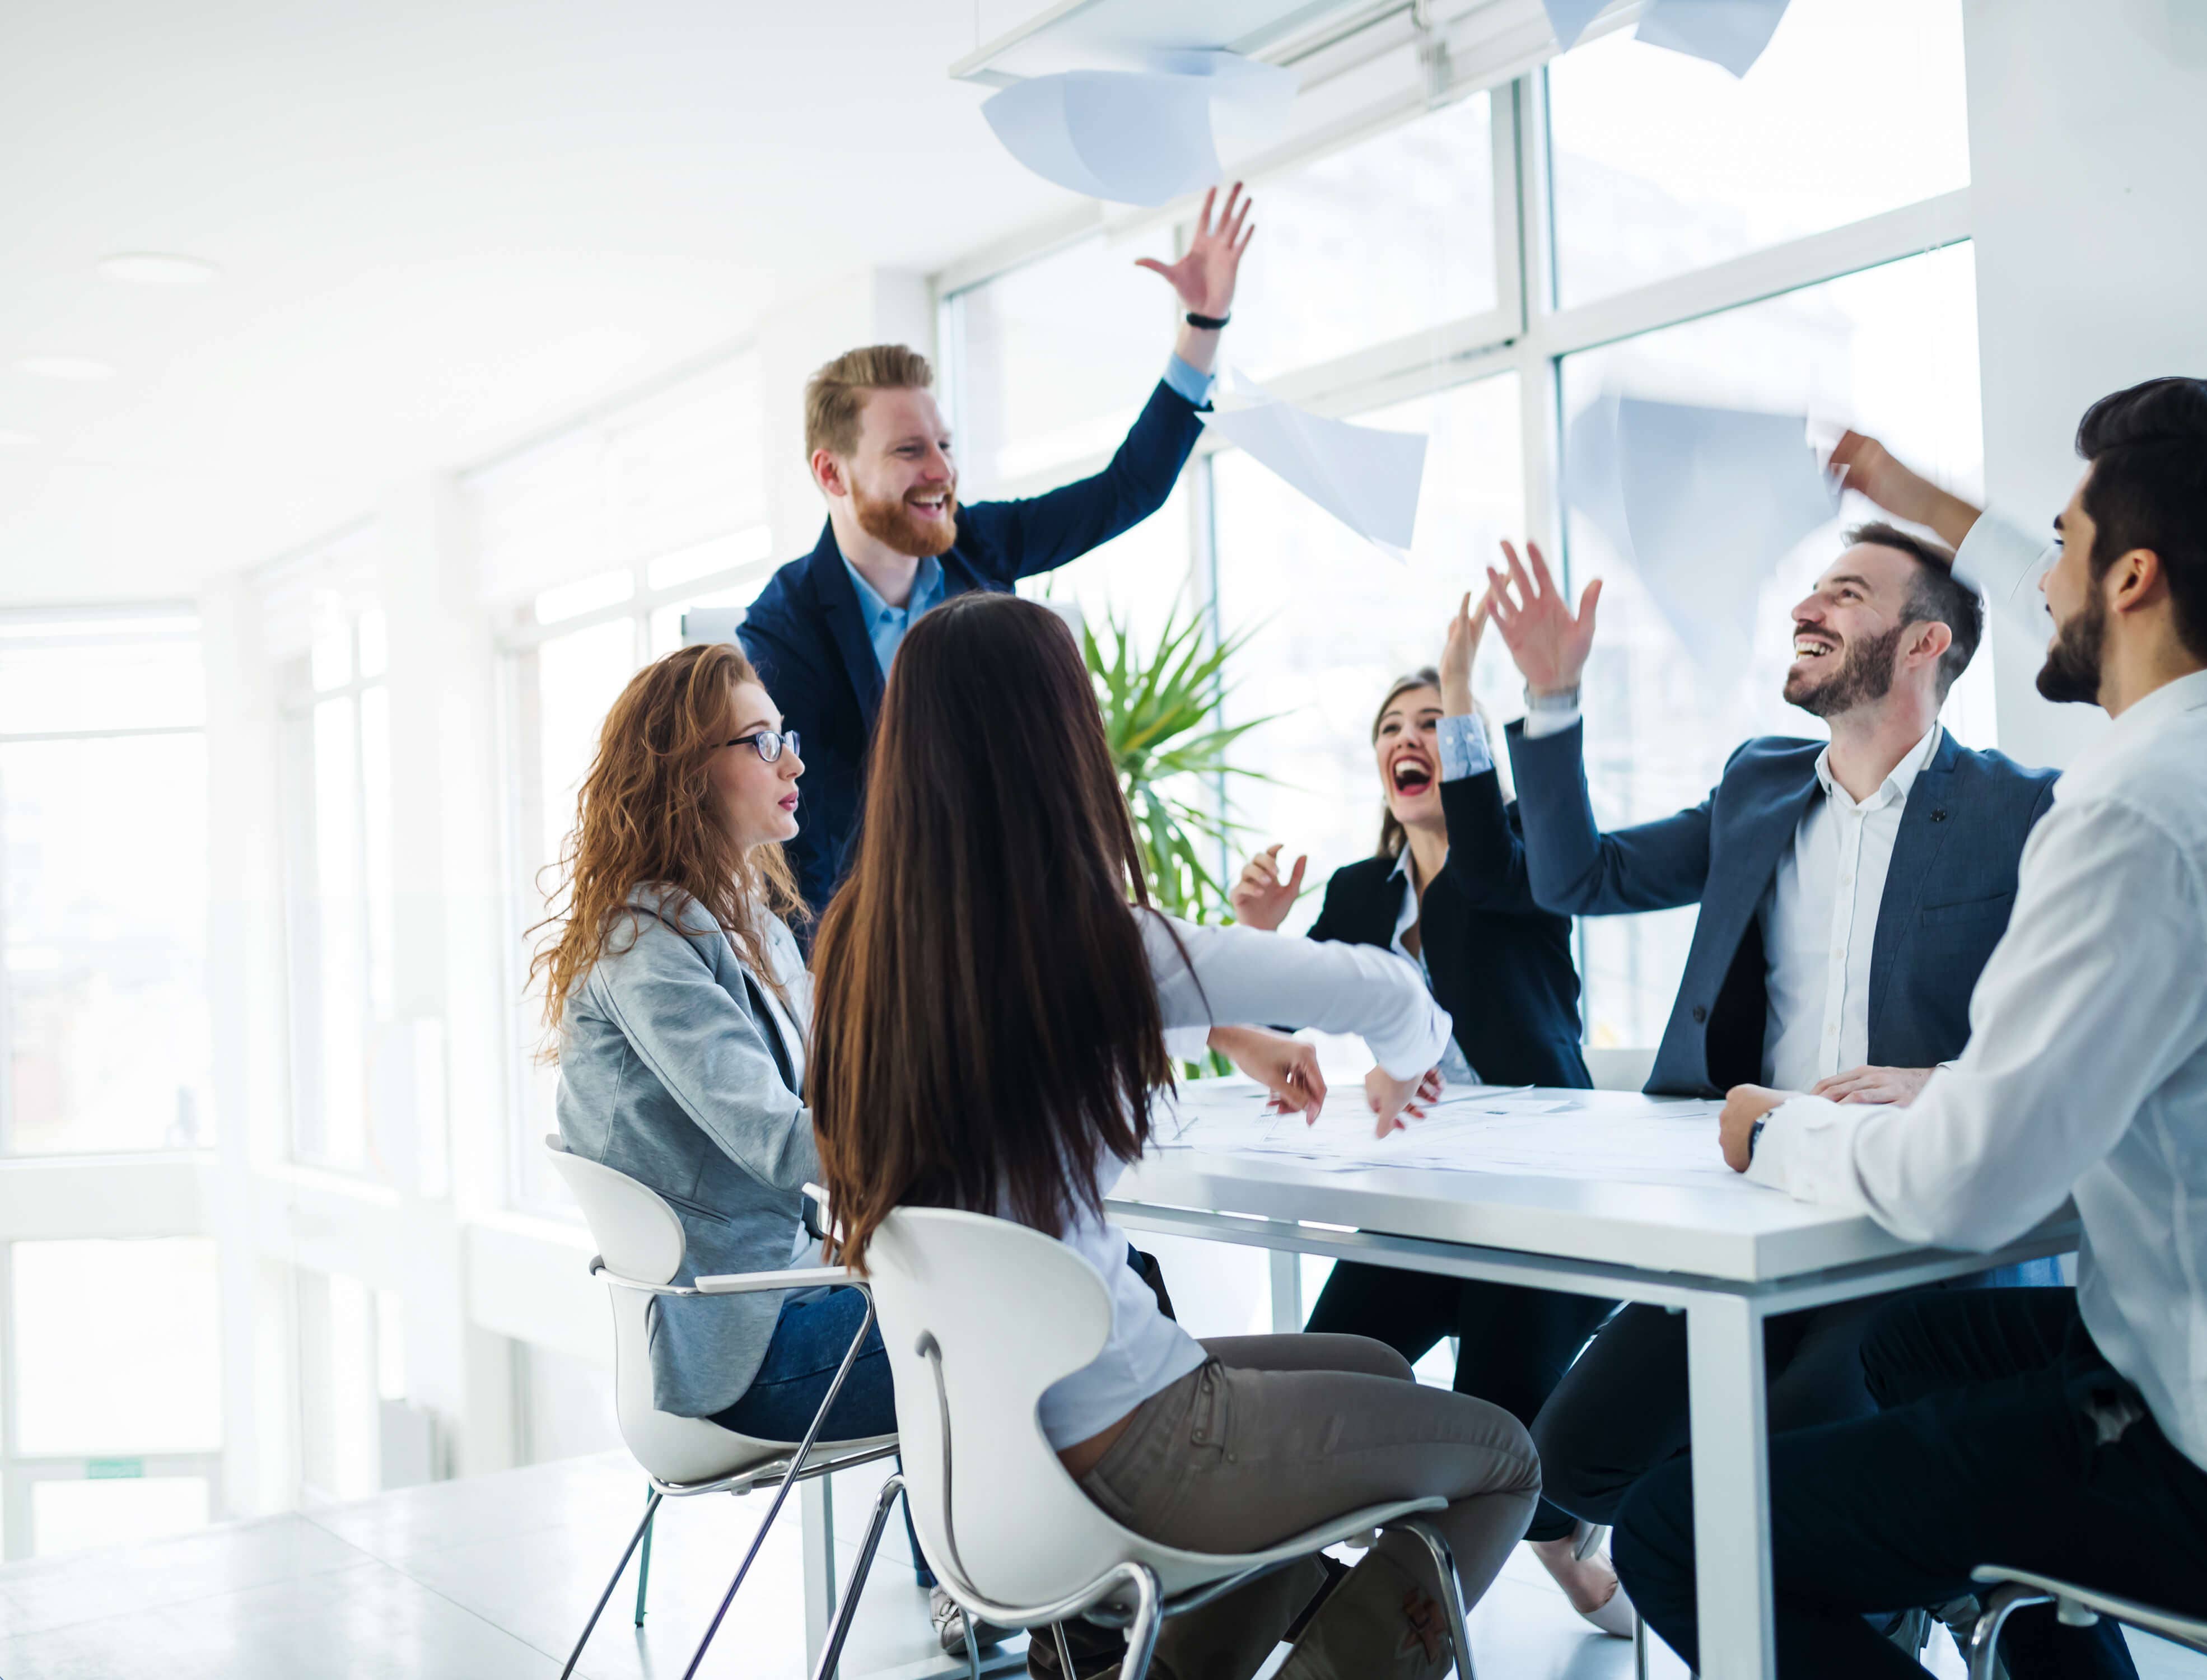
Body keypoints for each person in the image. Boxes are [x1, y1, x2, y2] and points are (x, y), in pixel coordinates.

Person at [1611, 378, 2207, 1679]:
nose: (2045, 574)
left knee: (1674, 1533)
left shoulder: (2135, 812)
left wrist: (1773, 1126)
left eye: (2070, 543)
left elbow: (1960, 1191)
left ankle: (2023, 1579)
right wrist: (1905, 493)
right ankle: (2045, 1638)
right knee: (1910, 1347)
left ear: (2134, 582)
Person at [531, 642, 1338, 1662]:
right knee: (1043, 1316)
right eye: (762, 739)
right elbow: (789, 1139)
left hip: (791, 1297)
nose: (796, 761)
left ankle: (1113, 1607)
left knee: (1081, 1287)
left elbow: (864, 1094)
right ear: (687, 770)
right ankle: (1119, 1618)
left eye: (786, 735)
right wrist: (978, 1119)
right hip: (741, 1350)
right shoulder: (647, 946)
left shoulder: (761, 932)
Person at [810, 591, 1542, 1680]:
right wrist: (1414, 1057)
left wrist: (1231, 1029)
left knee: (1377, 1362)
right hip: (1135, 1443)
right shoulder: (1094, 942)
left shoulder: (860, 956)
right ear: (1055, 744)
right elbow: (1385, 992)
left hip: (988, 1451)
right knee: (1503, 1459)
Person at [1482, 522, 2059, 1548]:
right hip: (1755, 1208)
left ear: (1926, 643)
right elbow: (1577, 879)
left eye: (1844, 594)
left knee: (1779, 1479)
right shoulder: (1760, 784)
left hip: (1909, 1238)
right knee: (1568, 1461)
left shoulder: (2019, 811)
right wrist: (1553, 701)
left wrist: (1950, 1083)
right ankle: (1817, 1585)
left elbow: (2082, 1028)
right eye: (1810, 594)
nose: (1805, 610)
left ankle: (1845, 1593)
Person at [1229, 595, 1629, 1635]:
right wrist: (1258, 934)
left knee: (1505, 1436)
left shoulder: (1523, 863)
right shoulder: (1366, 893)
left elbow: (1484, 861)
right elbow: (1276, 1017)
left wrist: (1460, 674)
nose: (1409, 742)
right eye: (1390, 731)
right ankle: (1309, 1592)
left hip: (1543, 1195)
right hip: (1427, 1195)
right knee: (1323, 1380)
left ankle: (1560, 1555)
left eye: (1431, 725)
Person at [740, 185, 1257, 916]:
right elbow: (804, 844)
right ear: (832, 473)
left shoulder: (981, 546)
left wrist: (1203, 326)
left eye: (945, 446)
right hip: (890, 947)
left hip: (1021, 913)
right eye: (910, 451)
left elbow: (1128, 489)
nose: (942, 473)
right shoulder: (785, 628)